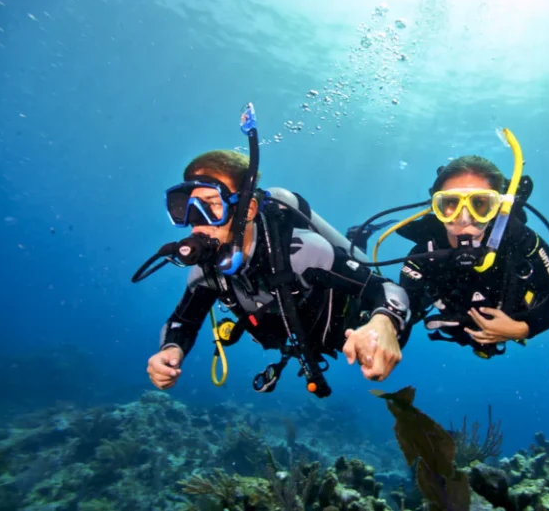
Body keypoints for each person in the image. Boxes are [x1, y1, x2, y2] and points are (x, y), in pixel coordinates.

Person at [133, 106, 410, 397]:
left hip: (345, 320)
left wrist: (384, 322)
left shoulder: (304, 252)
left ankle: (358, 239)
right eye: (186, 208)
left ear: (248, 209)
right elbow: (183, 320)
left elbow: (386, 288)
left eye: (211, 205)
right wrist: (170, 350)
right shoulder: (207, 270)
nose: (196, 221)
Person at [348, 128, 549, 360]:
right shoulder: (426, 252)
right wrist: (383, 325)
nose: (464, 217)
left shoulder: (519, 239)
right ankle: (357, 242)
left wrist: (524, 328)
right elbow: (405, 302)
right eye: (450, 204)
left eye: (479, 204)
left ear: (498, 208)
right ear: (435, 208)